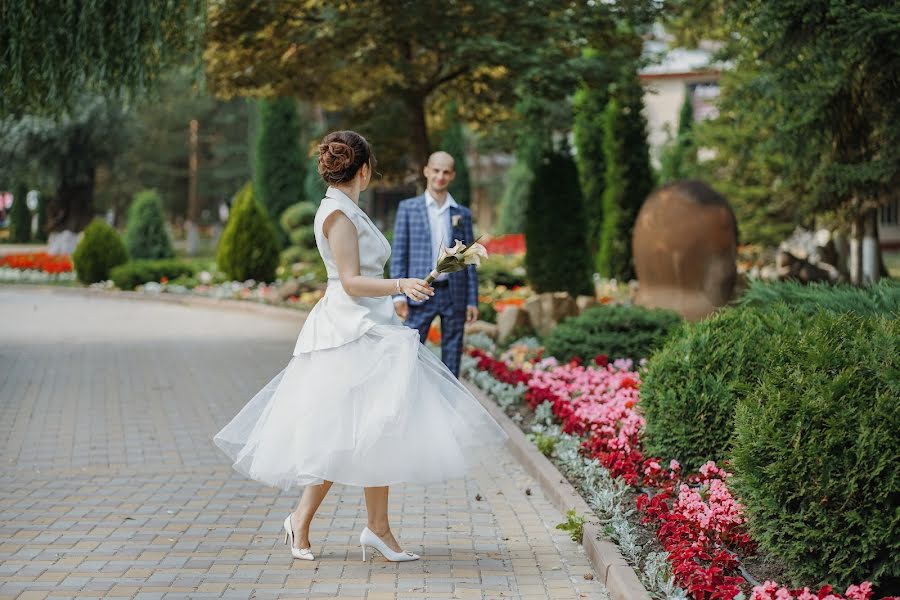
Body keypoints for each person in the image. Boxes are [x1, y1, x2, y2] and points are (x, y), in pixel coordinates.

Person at [214, 131, 505, 563]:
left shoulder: (349, 208)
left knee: (379, 426)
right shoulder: (337, 215)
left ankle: (378, 528)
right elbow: (349, 282)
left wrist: (400, 294)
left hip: (374, 324)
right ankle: (301, 519)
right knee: (344, 433)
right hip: (348, 332)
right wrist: (400, 284)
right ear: (364, 169)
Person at [390, 151, 478, 377]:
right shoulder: (408, 209)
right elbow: (400, 252)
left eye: (446, 172)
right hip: (420, 291)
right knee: (410, 353)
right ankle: (408, 403)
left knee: (452, 355)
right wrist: (399, 295)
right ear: (427, 171)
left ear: (452, 176)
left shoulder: (462, 214)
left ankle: (448, 408)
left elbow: (469, 260)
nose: (440, 176)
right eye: (436, 170)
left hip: (453, 293)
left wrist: (472, 300)